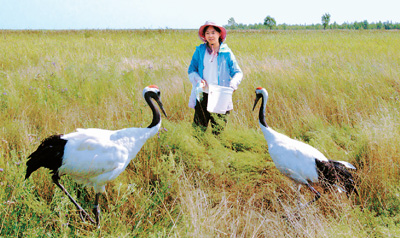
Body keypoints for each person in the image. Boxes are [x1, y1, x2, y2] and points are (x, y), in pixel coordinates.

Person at [188, 21, 243, 135]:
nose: (210, 36)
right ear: (204, 36)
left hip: (221, 96)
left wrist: (232, 85)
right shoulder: (199, 51)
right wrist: (199, 80)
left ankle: (216, 151)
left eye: (213, 32)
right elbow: (191, 70)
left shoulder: (227, 52)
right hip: (203, 95)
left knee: (218, 132)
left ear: (219, 34)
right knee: (198, 132)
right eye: (207, 33)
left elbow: (238, 72)